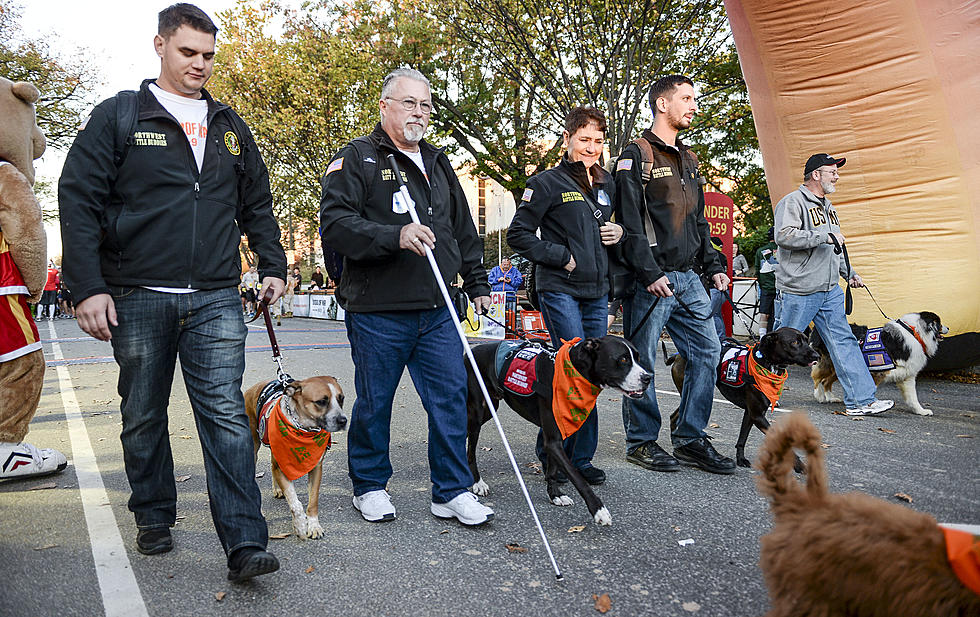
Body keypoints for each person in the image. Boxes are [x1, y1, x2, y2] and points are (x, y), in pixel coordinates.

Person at [58, 3, 286, 581]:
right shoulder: (119, 117)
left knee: (227, 418)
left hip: (214, 296)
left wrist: (273, 263)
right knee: (142, 414)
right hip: (137, 296)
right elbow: (78, 198)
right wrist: (86, 286)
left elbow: (257, 202)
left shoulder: (231, 127)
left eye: (209, 55)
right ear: (159, 46)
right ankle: (154, 512)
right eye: (189, 52)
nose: (200, 64)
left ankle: (243, 542)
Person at [320, 67, 494, 526]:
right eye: (409, 103)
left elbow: (461, 229)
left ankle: (451, 490)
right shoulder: (356, 158)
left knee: (451, 399)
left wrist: (476, 282)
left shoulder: (438, 162)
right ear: (385, 106)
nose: (420, 112)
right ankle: (370, 485)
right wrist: (393, 236)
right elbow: (336, 225)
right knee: (376, 401)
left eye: (426, 104)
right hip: (378, 309)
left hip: (437, 308)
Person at [614, 74, 735, 475]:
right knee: (642, 361)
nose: (694, 105)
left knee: (707, 352)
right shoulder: (637, 155)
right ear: (662, 104)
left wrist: (714, 265)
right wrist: (648, 272)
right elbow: (629, 223)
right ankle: (642, 442)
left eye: (694, 98)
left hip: (689, 280)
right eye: (686, 98)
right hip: (652, 282)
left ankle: (689, 438)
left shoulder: (689, 158)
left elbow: (699, 220)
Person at [508, 106, 623, 485]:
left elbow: (613, 231)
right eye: (584, 139)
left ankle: (581, 458)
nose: (592, 147)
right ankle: (552, 453)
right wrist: (561, 257)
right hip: (559, 288)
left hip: (597, 290)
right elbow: (519, 234)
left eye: (598, 141)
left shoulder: (608, 183)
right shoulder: (544, 183)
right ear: (567, 140)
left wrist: (617, 233)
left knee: (594, 374)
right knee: (570, 367)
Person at [772, 153, 893, 416]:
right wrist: (822, 236)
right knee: (781, 345)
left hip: (829, 290)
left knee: (844, 341)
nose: (837, 176)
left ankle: (861, 400)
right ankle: (762, 393)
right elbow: (783, 236)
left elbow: (834, 249)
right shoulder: (792, 202)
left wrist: (849, 273)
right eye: (832, 172)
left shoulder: (829, 207)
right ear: (816, 174)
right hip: (799, 289)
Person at [754, 226, 778, 336]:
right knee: (777, 314)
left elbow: (757, 270)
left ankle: (762, 338)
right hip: (781, 288)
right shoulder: (784, 249)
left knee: (764, 313)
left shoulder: (760, 251)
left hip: (766, 288)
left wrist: (763, 284)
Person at [708, 236, 729, 340]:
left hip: (714, 289)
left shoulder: (713, 256)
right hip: (723, 291)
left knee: (711, 315)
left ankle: (719, 339)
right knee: (717, 314)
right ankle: (722, 339)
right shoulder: (723, 256)